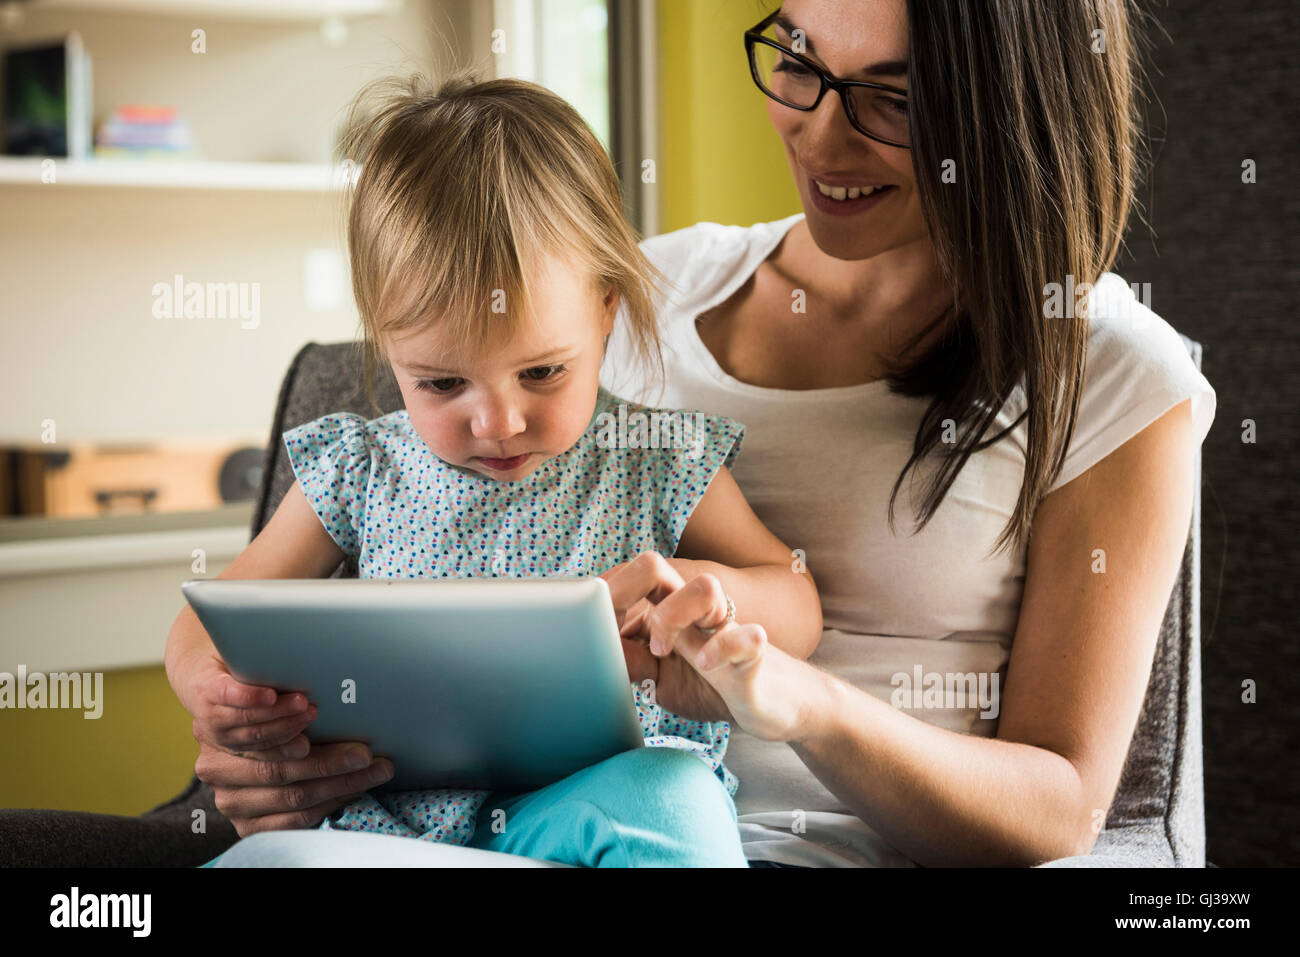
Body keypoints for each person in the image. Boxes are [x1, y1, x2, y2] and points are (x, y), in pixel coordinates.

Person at [182, 0, 1217, 868]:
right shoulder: (636, 287)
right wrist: (255, 749)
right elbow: (234, 630)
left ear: (1013, 110)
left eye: (891, 99)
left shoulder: (1115, 375)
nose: (816, 134)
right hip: (431, 824)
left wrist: (790, 696)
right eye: (799, 62)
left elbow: (1064, 805)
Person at [164, 71, 822, 868]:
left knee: (674, 801)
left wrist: (712, 600)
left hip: (586, 812)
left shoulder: (658, 457)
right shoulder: (360, 466)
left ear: (606, 308)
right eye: (442, 383)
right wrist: (212, 686)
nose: (499, 422)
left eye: (543, 372)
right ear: (387, 347)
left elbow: (795, 595)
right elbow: (211, 614)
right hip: (383, 828)